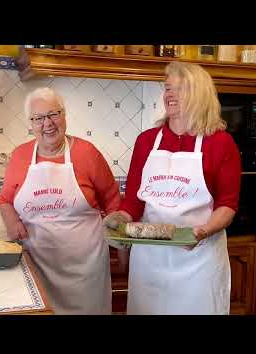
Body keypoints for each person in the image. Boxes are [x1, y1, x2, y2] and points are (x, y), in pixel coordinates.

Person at [103, 62, 242, 315]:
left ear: (199, 95)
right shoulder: (146, 141)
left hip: (199, 259)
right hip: (150, 261)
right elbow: (134, 201)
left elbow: (227, 205)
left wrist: (203, 230)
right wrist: (120, 218)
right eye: (168, 88)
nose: (169, 94)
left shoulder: (221, 143)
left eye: (180, 89)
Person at [0, 87, 120, 315]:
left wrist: (123, 249)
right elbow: (5, 200)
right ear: (31, 123)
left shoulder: (87, 153)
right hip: (38, 263)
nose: (48, 123)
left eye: (53, 114)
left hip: (86, 268)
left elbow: (113, 201)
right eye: (38, 118)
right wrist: (12, 221)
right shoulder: (20, 156)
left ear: (64, 115)